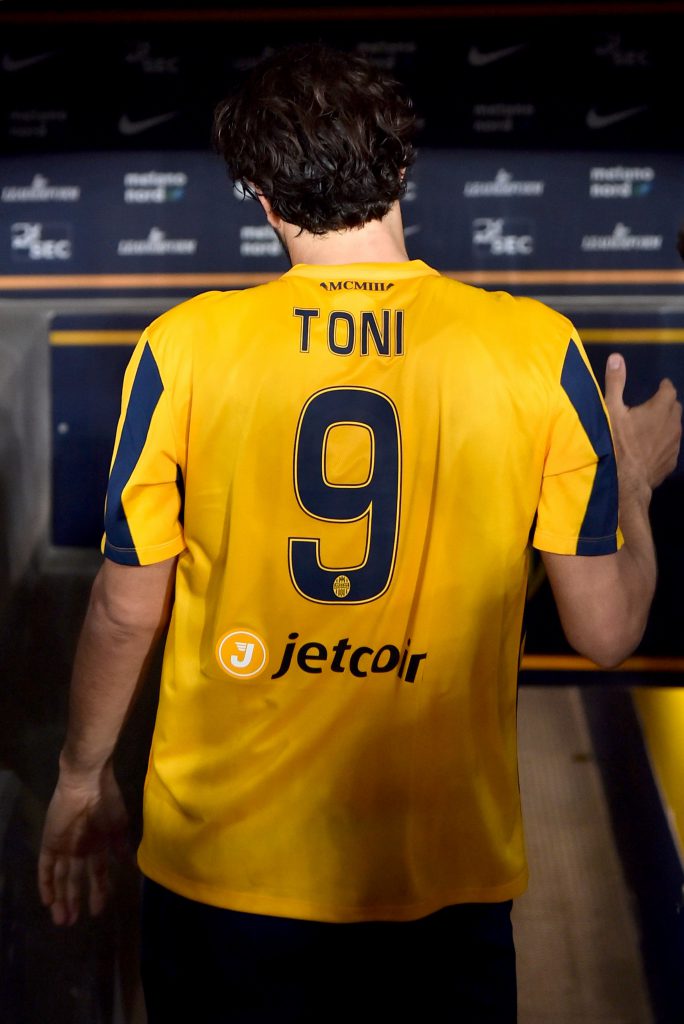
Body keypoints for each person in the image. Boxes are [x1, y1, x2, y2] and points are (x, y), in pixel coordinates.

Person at [38, 42, 681, 1023]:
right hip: (437, 883)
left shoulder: (184, 348)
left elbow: (128, 613)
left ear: (257, 192)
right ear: (404, 169)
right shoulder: (534, 349)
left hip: (221, 872)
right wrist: (631, 484)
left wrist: (82, 775)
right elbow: (605, 632)